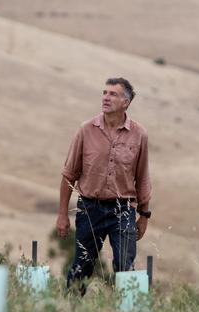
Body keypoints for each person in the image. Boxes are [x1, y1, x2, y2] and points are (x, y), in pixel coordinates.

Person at [56, 77, 152, 294]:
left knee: (125, 268)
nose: (106, 98)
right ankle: (70, 311)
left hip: (123, 210)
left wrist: (144, 216)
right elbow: (69, 174)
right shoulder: (86, 130)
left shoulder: (139, 135)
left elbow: (143, 177)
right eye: (105, 93)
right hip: (90, 209)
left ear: (126, 102)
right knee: (82, 266)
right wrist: (63, 214)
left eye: (113, 94)